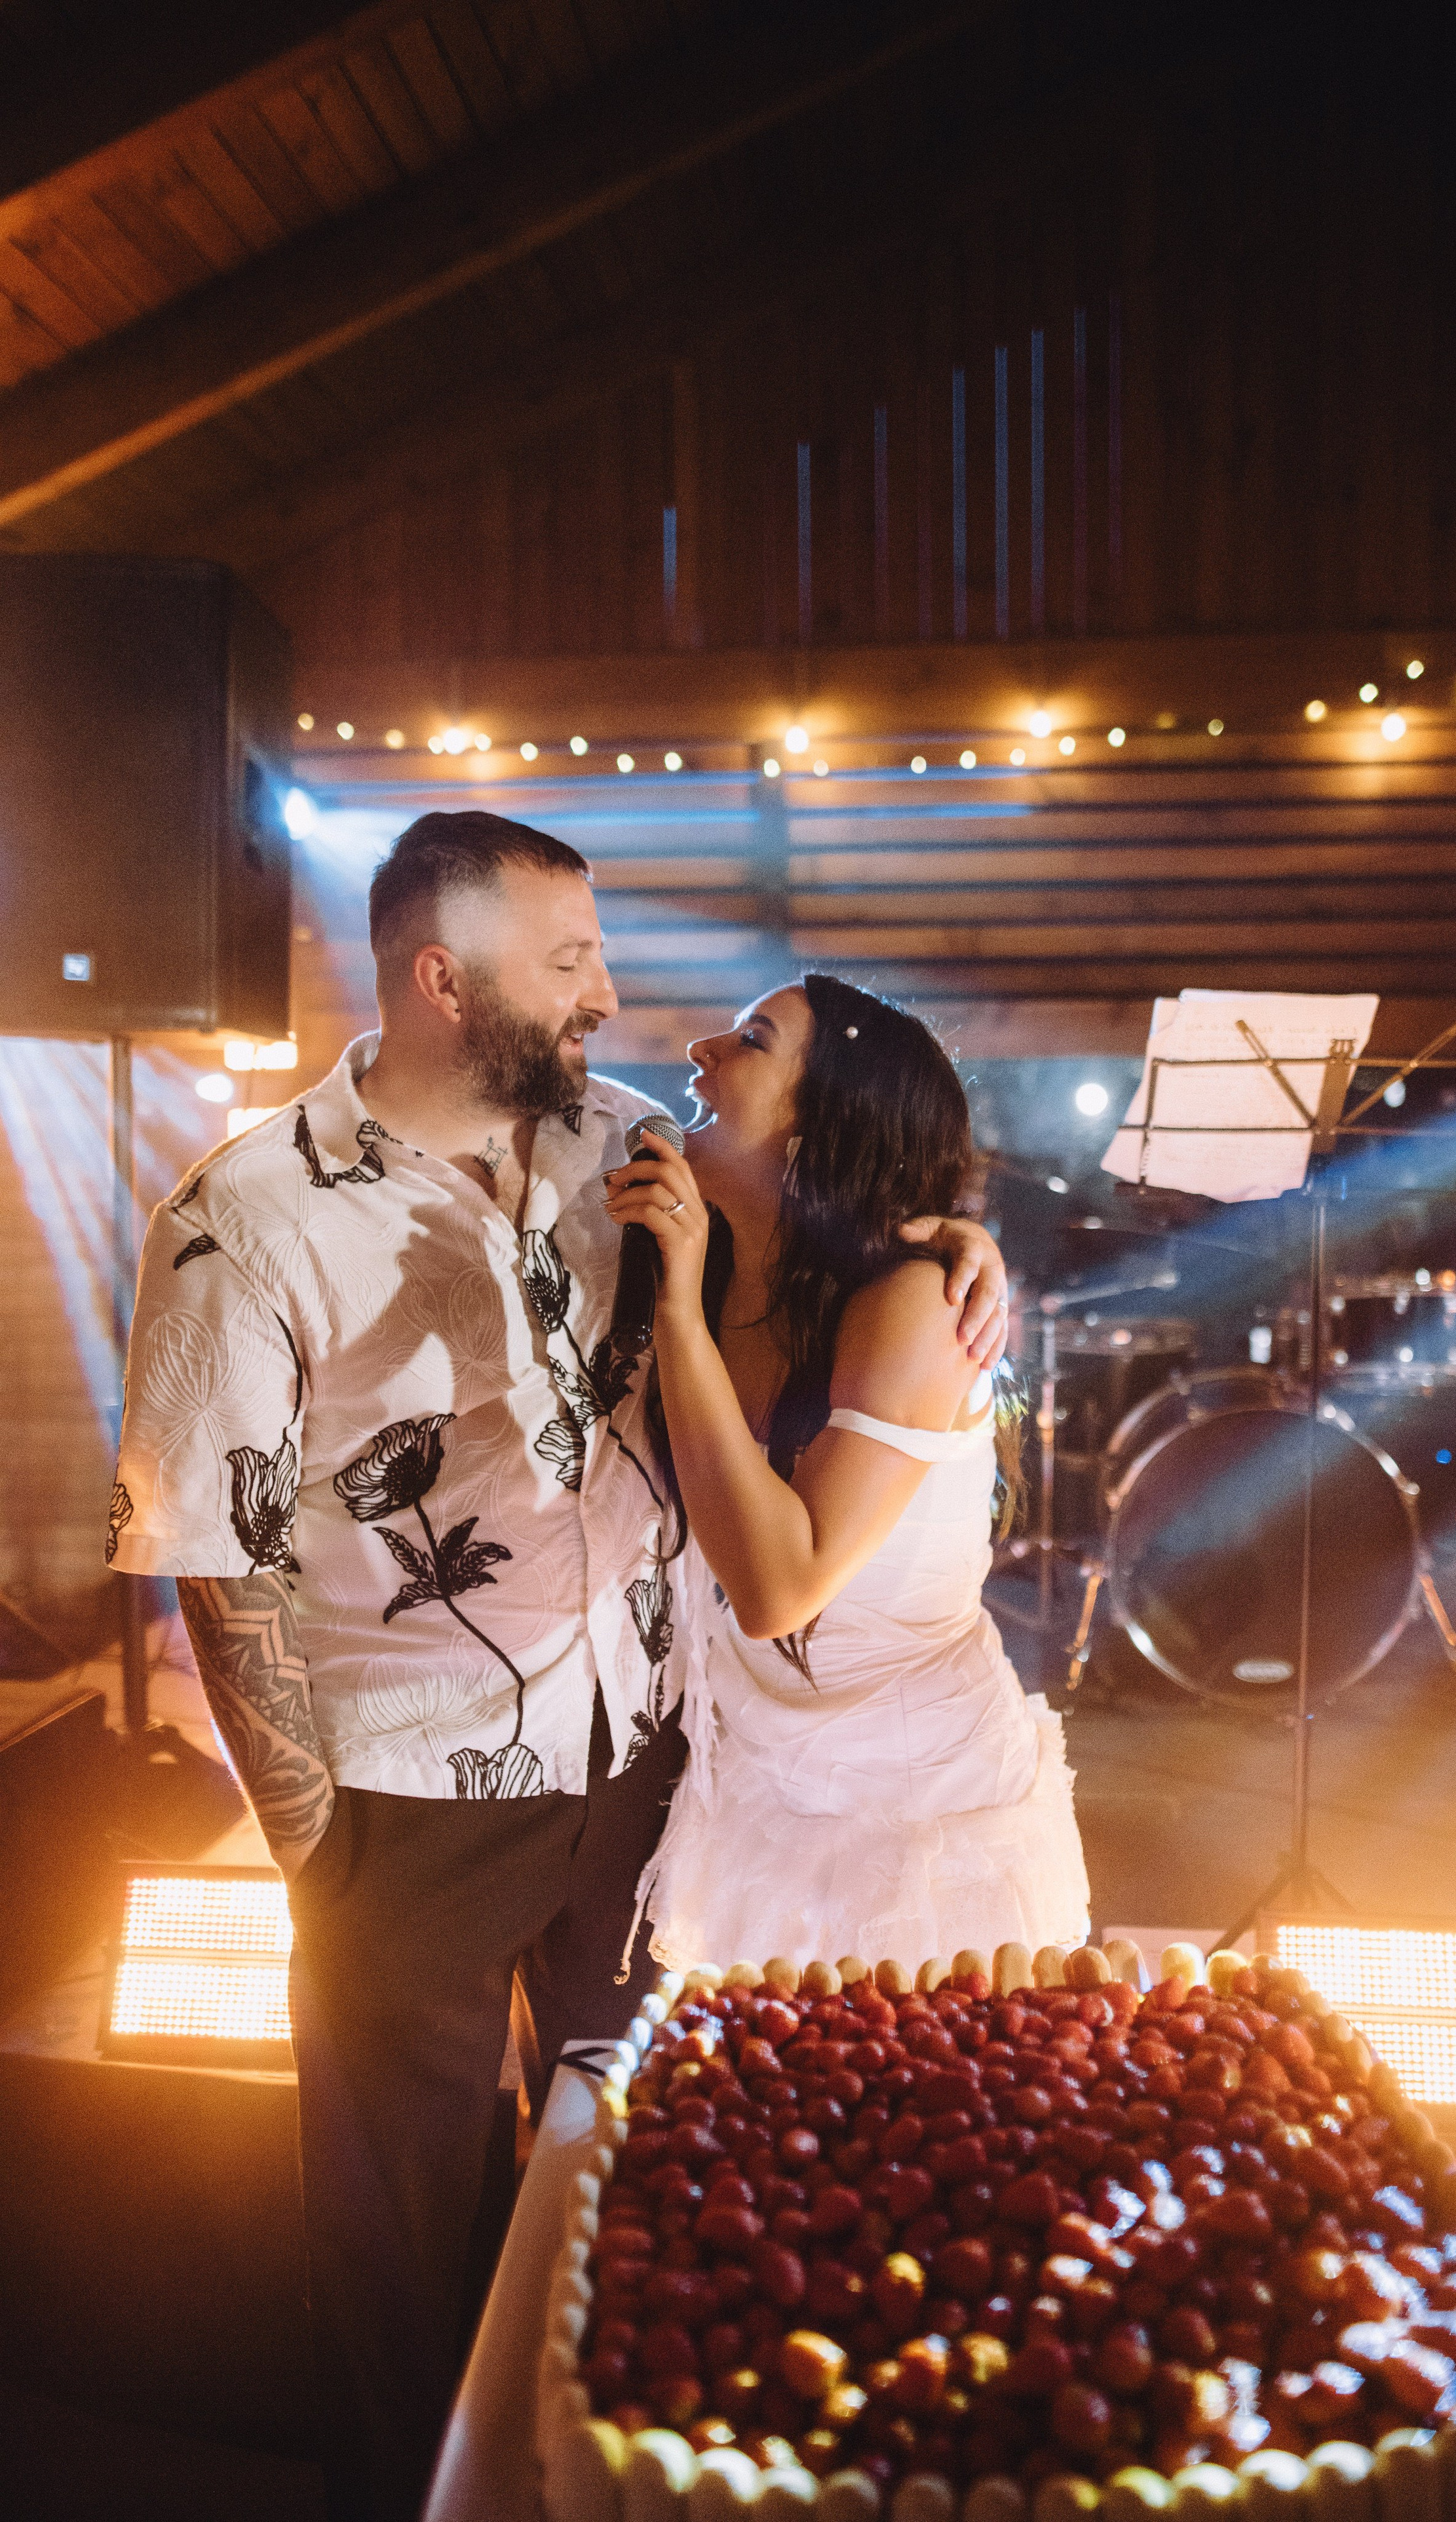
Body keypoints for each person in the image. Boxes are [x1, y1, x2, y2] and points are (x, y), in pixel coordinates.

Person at [107, 813, 1007, 2522]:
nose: (610, 993)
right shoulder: (243, 1216)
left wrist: (969, 1252)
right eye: (569, 959)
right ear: (445, 980)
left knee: (646, 2215)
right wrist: (321, 1855)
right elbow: (209, 1568)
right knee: (403, 2269)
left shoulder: (635, 1151)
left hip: (653, 1775)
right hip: (408, 1808)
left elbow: (843, 1213)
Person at [603, 972, 1090, 1972]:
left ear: (823, 1117)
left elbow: (779, 1590)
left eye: (751, 1039)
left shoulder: (913, 1306)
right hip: (758, 1800)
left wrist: (683, 1316)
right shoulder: (698, 1262)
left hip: (916, 1828)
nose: (701, 1051)